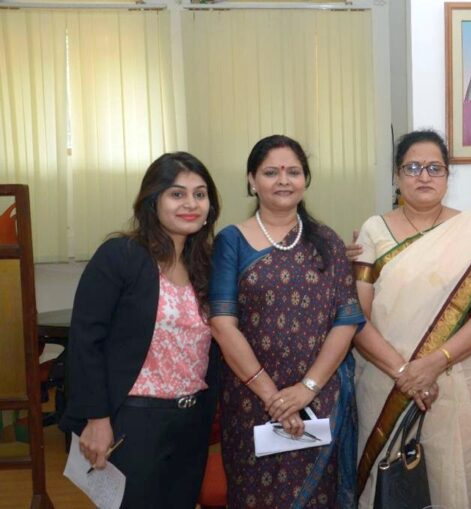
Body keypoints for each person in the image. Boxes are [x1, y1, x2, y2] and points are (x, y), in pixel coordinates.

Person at [351, 130, 471, 509]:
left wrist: (434, 363)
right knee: (387, 488)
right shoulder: (373, 230)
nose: (424, 176)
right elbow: (357, 316)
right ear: (396, 175)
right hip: (386, 380)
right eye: (413, 167)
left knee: (454, 483)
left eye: (435, 168)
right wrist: (405, 373)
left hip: (456, 379)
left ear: (448, 175)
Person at [209, 135, 365, 508]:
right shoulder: (231, 241)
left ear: (305, 180)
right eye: (271, 172)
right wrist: (274, 398)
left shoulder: (326, 241)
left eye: (293, 172)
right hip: (251, 401)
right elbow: (222, 325)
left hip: (320, 399)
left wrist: (306, 390)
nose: (283, 180)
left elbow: (346, 320)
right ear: (252, 180)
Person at [60, 152, 221, 508]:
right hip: (134, 420)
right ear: (153, 200)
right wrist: (96, 418)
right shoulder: (121, 256)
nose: (190, 203)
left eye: (200, 194)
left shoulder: (207, 266)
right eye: (177, 194)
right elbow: (85, 341)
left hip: (192, 420)